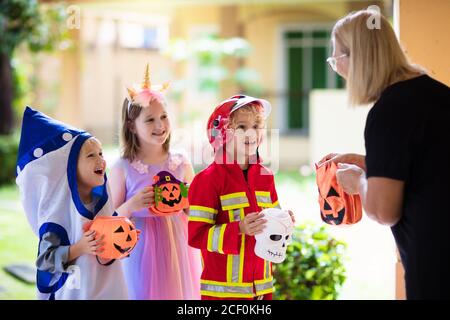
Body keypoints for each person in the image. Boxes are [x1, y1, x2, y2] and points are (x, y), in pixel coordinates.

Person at [319, 9, 450, 299]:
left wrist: (358, 182)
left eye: (336, 59)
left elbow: (383, 210)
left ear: (357, 57)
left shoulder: (389, 111)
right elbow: (429, 167)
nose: (338, 70)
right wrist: (373, 166)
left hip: (436, 262)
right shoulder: (437, 94)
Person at [188, 95, 295, 300]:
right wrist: (238, 229)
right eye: (241, 127)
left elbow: (271, 225)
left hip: (262, 290)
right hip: (223, 294)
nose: (251, 133)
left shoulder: (266, 176)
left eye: (256, 126)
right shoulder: (207, 180)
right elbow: (197, 235)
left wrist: (285, 223)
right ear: (222, 134)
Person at [109, 64, 202, 300]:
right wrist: (132, 205)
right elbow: (108, 221)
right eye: (150, 120)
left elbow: (196, 212)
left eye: (164, 117)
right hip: (140, 250)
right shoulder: (123, 167)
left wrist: (190, 202)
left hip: (179, 247)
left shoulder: (181, 162)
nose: (160, 125)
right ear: (131, 125)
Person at [16, 107, 128, 300]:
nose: (101, 160)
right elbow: (45, 262)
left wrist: (125, 242)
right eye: (91, 155)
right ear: (69, 168)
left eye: (101, 153)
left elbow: (111, 249)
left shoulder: (103, 207)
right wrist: (80, 248)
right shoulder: (57, 215)